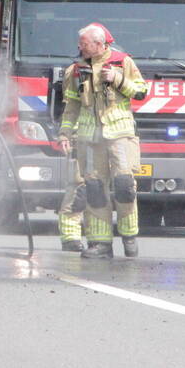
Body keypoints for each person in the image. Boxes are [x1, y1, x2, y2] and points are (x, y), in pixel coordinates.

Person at [56, 23, 148, 258]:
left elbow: (141, 92)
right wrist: (65, 133)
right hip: (90, 139)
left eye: (85, 44)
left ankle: (129, 236)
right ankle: (100, 244)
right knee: (95, 189)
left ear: (100, 44)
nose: (80, 48)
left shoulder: (122, 62)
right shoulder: (75, 70)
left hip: (120, 136)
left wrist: (117, 79)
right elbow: (72, 106)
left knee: (125, 187)